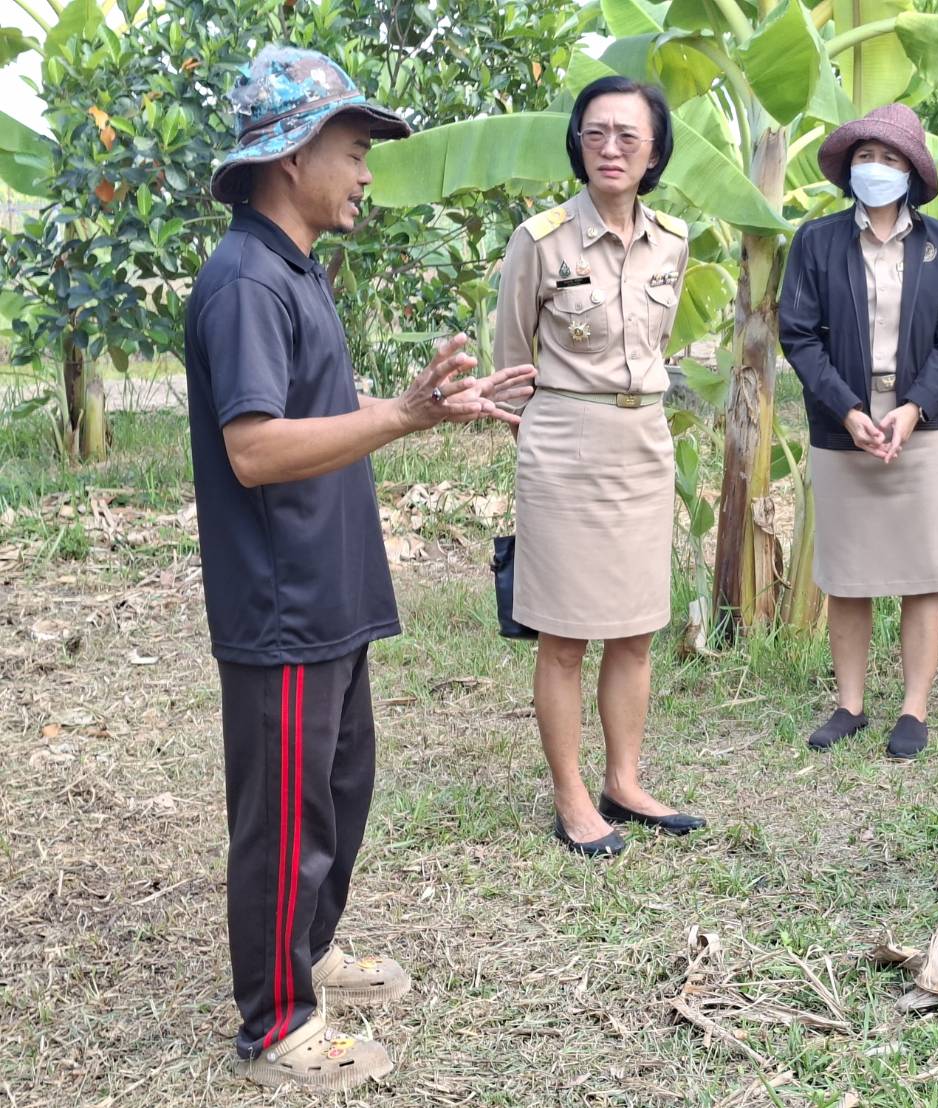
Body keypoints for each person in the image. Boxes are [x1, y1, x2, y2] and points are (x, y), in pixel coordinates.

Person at [186, 47, 534, 1089]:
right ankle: (277, 1026)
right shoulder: (245, 281)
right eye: (352, 150)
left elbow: (320, 419)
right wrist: (403, 415)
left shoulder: (293, 269)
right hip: (281, 600)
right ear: (292, 157)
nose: (366, 172)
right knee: (284, 821)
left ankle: (313, 950)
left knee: (337, 793)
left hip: (328, 590)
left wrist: (425, 413)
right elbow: (255, 448)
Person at [493, 76, 703, 858]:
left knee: (636, 629)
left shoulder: (673, 240)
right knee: (564, 637)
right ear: (577, 144)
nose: (610, 148)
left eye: (628, 136)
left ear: (654, 152)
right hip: (564, 444)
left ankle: (624, 781)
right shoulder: (541, 239)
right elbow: (510, 367)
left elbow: (655, 347)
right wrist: (543, 443)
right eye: (595, 133)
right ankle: (571, 796)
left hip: (643, 441)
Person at [780, 104, 938, 760]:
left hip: (920, 422)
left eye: (889, 158)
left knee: (925, 570)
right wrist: (847, 409)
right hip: (845, 424)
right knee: (849, 572)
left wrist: (915, 407)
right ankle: (849, 704)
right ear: (849, 169)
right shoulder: (817, 241)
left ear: (911, 171)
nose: (876, 168)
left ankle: (914, 708)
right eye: (865, 156)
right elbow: (798, 335)